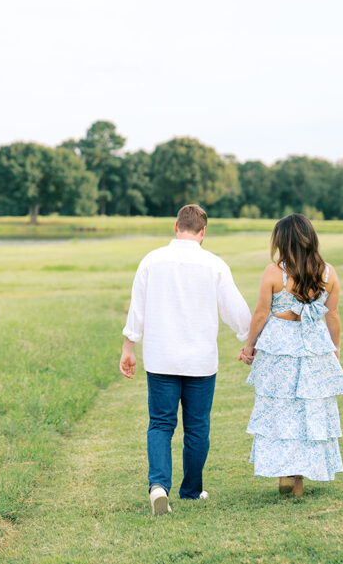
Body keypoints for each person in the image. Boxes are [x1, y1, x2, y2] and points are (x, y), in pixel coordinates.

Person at [119, 204, 252, 516]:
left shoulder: (151, 260)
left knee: (161, 424)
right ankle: (191, 491)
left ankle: (158, 487)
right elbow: (238, 313)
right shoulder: (215, 265)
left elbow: (137, 308)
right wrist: (249, 340)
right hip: (200, 361)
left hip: (161, 358)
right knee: (197, 428)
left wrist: (128, 348)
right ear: (203, 233)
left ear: (175, 227)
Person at [238, 213, 343, 497]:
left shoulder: (275, 272)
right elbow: (333, 314)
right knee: (309, 410)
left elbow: (262, 312)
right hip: (314, 346)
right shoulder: (328, 273)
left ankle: (289, 475)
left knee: (282, 409)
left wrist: (250, 346)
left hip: (281, 349)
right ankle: (296, 476)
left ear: (282, 241)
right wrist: (334, 350)